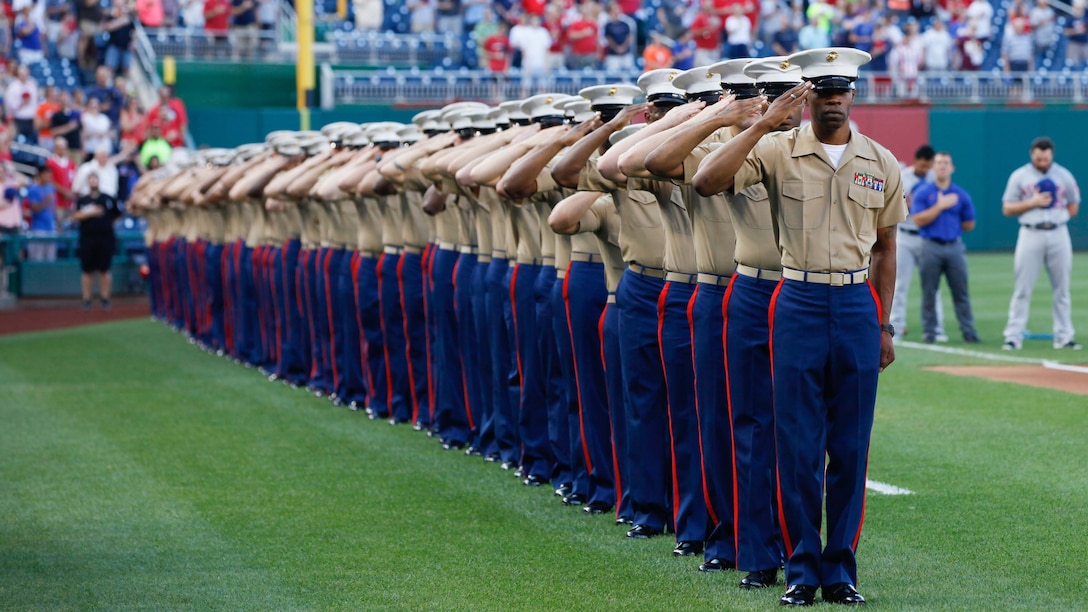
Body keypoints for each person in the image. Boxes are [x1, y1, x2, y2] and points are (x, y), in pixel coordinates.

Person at [693, 47, 905, 607]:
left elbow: (887, 250)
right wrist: (761, 120)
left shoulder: (881, 161)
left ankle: (841, 571)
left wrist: (883, 326)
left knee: (852, 447)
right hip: (798, 299)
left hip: (856, 303)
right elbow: (707, 182)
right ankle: (801, 569)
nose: (834, 100)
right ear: (808, 95)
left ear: (855, 95)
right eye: (824, 92)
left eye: (842, 91)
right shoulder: (776, 149)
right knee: (796, 442)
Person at [1001, 137, 1081, 350]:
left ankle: (1064, 337)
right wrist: (1032, 203)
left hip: (1058, 232)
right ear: (1032, 154)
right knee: (1022, 288)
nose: (1042, 161)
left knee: (1062, 288)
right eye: (1038, 157)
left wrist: (1054, 215)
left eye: (1045, 158)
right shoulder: (1020, 176)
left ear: (1051, 155)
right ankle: (1013, 336)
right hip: (1030, 232)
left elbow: (1073, 206)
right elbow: (1007, 208)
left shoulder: (1063, 175)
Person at [911, 152, 979, 344]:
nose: (942, 166)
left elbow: (969, 223)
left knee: (961, 291)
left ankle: (968, 331)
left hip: (954, 245)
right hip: (930, 245)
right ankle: (930, 332)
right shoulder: (924, 192)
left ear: (952, 168)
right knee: (929, 291)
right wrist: (939, 207)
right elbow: (918, 219)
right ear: (933, 167)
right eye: (939, 163)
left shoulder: (960, 194)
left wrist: (953, 228)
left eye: (946, 163)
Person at [890, 144, 946, 341]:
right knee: (899, 284)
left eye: (927, 166)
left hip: (926, 235)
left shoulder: (934, 179)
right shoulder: (903, 176)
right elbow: (891, 204)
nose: (923, 169)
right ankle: (895, 327)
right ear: (916, 161)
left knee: (932, 285)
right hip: (904, 235)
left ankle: (936, 328)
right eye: (921, 165)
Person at [72, 172, 123, 309]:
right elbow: (74, 216)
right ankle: (87, 299)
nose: (93, 182)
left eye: (95, 179)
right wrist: (90, 213)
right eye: (91, 180)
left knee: (104, 270)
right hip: (87, 239)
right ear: (88, 182)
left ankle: (105, 298)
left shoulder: (107, 199)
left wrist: (107, 223)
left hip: (105, 238)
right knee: (87, 270)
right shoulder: (83, 200)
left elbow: (118, 214)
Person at [25, 166, 59, 262]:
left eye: (49, 175)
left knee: (51, 259)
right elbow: (34, 209)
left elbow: (54, 208)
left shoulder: (51, 188)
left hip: (51, 228)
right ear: (40, 175)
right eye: (46, 175)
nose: (48, 177)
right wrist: (46, 201)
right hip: (38, 228)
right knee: (37, 259)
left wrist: (59, 224)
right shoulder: (33, 189)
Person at [5, 64, 40, 143]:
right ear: (18, 74)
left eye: (26, 73)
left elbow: (35, 102)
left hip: (31, 119)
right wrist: (22, 103)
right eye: (22, 74)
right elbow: (10, 106)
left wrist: (36, 116)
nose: (24, 76)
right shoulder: (13, 87)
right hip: (18, 119)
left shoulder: (32, 84)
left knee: (32, 142)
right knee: (18, 142)